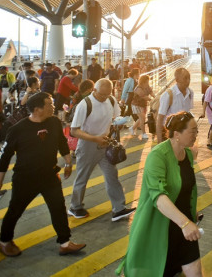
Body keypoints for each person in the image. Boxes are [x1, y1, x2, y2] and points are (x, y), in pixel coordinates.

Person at [0, 92, 85, 258]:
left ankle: (65, 243)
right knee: (15, 211)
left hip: (49, 175)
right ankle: (4, 242)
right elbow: (4, 158)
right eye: (49, 104)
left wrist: (68, 163)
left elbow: (62, 143)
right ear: (36, 109)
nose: (53, 106)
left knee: (58, 208)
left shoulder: (54, 122)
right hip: (25, 179)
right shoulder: (17, 130)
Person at [117, 112, 201, 276]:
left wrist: (192, 212)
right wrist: (184, 223)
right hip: (161, 227)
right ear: (177, 134)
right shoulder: (157, 156)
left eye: (196, 130)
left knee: (196, 272)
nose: (196, 135)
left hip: (184, 228)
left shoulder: (188, 155)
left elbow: (187, 188)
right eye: (193, 131)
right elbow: (159, 197)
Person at [68, 79, 135, 221]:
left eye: (108, 94)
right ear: (94, 90)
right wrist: (95, 138)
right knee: (82, 177)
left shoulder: (110, 100)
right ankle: (75, 206)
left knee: (112, 175)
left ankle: (119, 208)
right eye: (102, 95)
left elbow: (115, 117)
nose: (104, 97)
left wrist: (122, 122)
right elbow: (74, 131)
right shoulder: (85, 104)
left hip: (105, 143)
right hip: (87, 146)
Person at [155, 67, 194, 143]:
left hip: (184, 135)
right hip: (169, 135)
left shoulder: (190, 93)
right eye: (185, 78)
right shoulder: (168, 95)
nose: (188, 81)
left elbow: (188, 112)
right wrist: (159, 143)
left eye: (189, 78)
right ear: (177, 80)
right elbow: (159, 120)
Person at [131, 75, 154, 140]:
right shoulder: (138, 89)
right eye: (146, 82)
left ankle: (132, 128)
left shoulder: (147, 87)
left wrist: (155, 97)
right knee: (142, 118)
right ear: (143, 82)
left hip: (143, 105)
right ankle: (144, 133)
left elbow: (151, 92)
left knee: (141, 118)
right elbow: (145, 97)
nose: (147, 83)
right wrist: (153, 100)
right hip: (136, 105)